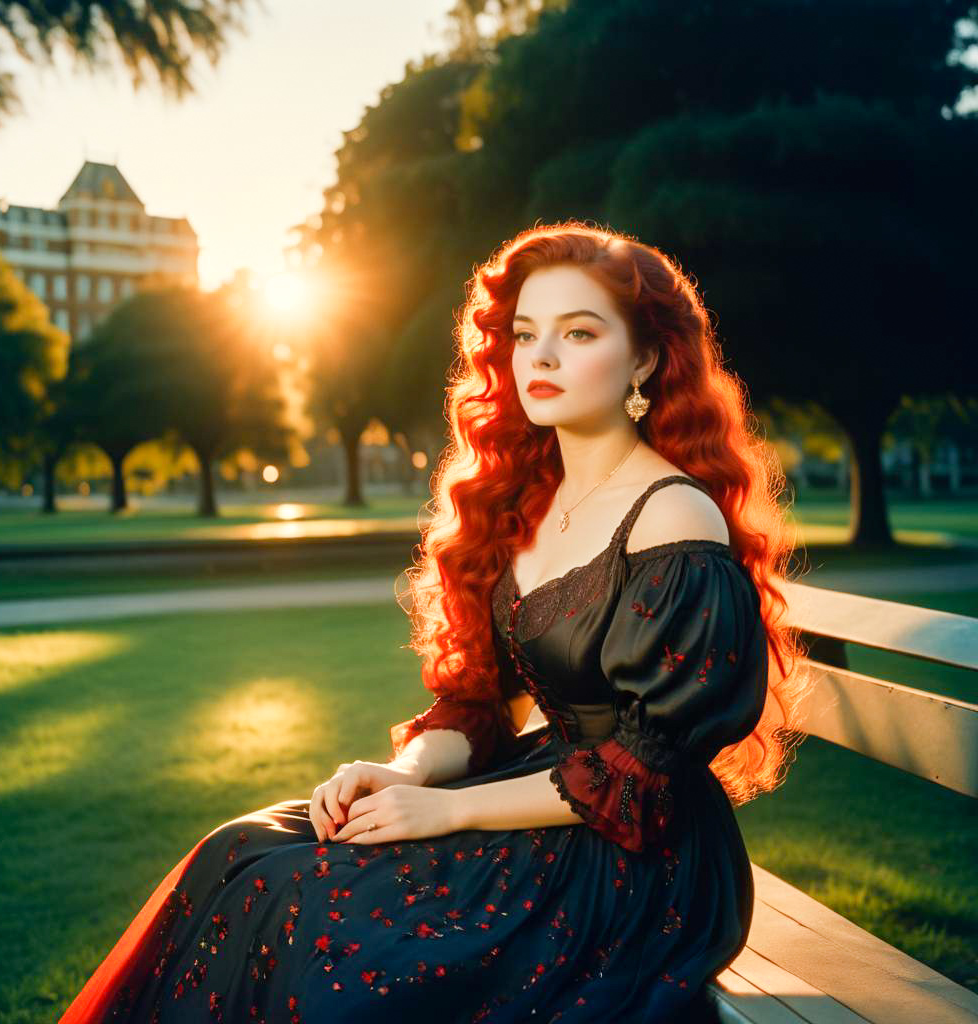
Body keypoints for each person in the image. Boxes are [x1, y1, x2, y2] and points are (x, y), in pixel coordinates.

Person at [58, 223, 809, 1023]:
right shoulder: (527, 499)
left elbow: (646, 769)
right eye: (526, 334)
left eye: (579, 333)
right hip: (532, 796)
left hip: (637, 859)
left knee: (321, 918)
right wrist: (409, 775)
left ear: (646, 360)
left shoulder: (673, 516)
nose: (541, 358)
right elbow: (479, 705)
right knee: (239, 854)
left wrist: (449, 809)